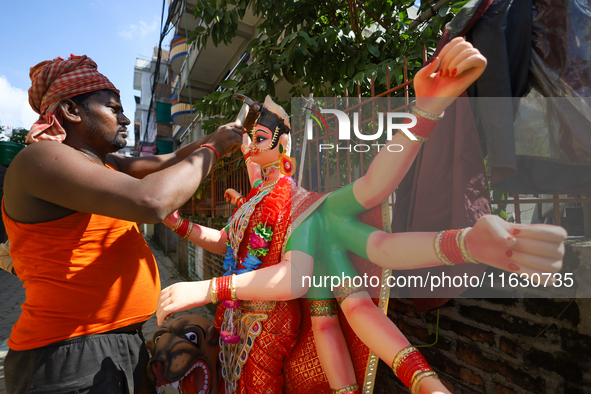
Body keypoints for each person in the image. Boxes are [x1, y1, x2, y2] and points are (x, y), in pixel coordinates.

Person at [156, 38, 566, 394]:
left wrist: (426, 112)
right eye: (246, 144)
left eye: (258, 141)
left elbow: (367, 195)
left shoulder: (303, 203)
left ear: (285, 152)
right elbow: (223, 243)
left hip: (269, 331)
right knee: (329, 323)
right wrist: (176, 223)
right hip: (236, 330)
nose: (249, 151)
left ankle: (465, 256)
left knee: (348, 309)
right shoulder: (250, 204)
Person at [2, 55, 244, 394]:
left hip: (115, 342)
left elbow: (169, 161)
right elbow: (152, 200)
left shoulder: (104, 164)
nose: (126, 118)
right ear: (72, 111)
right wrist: (215, 147)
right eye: (114, 109)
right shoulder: (41, 159)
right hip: (67, 355)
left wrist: (221, 137)